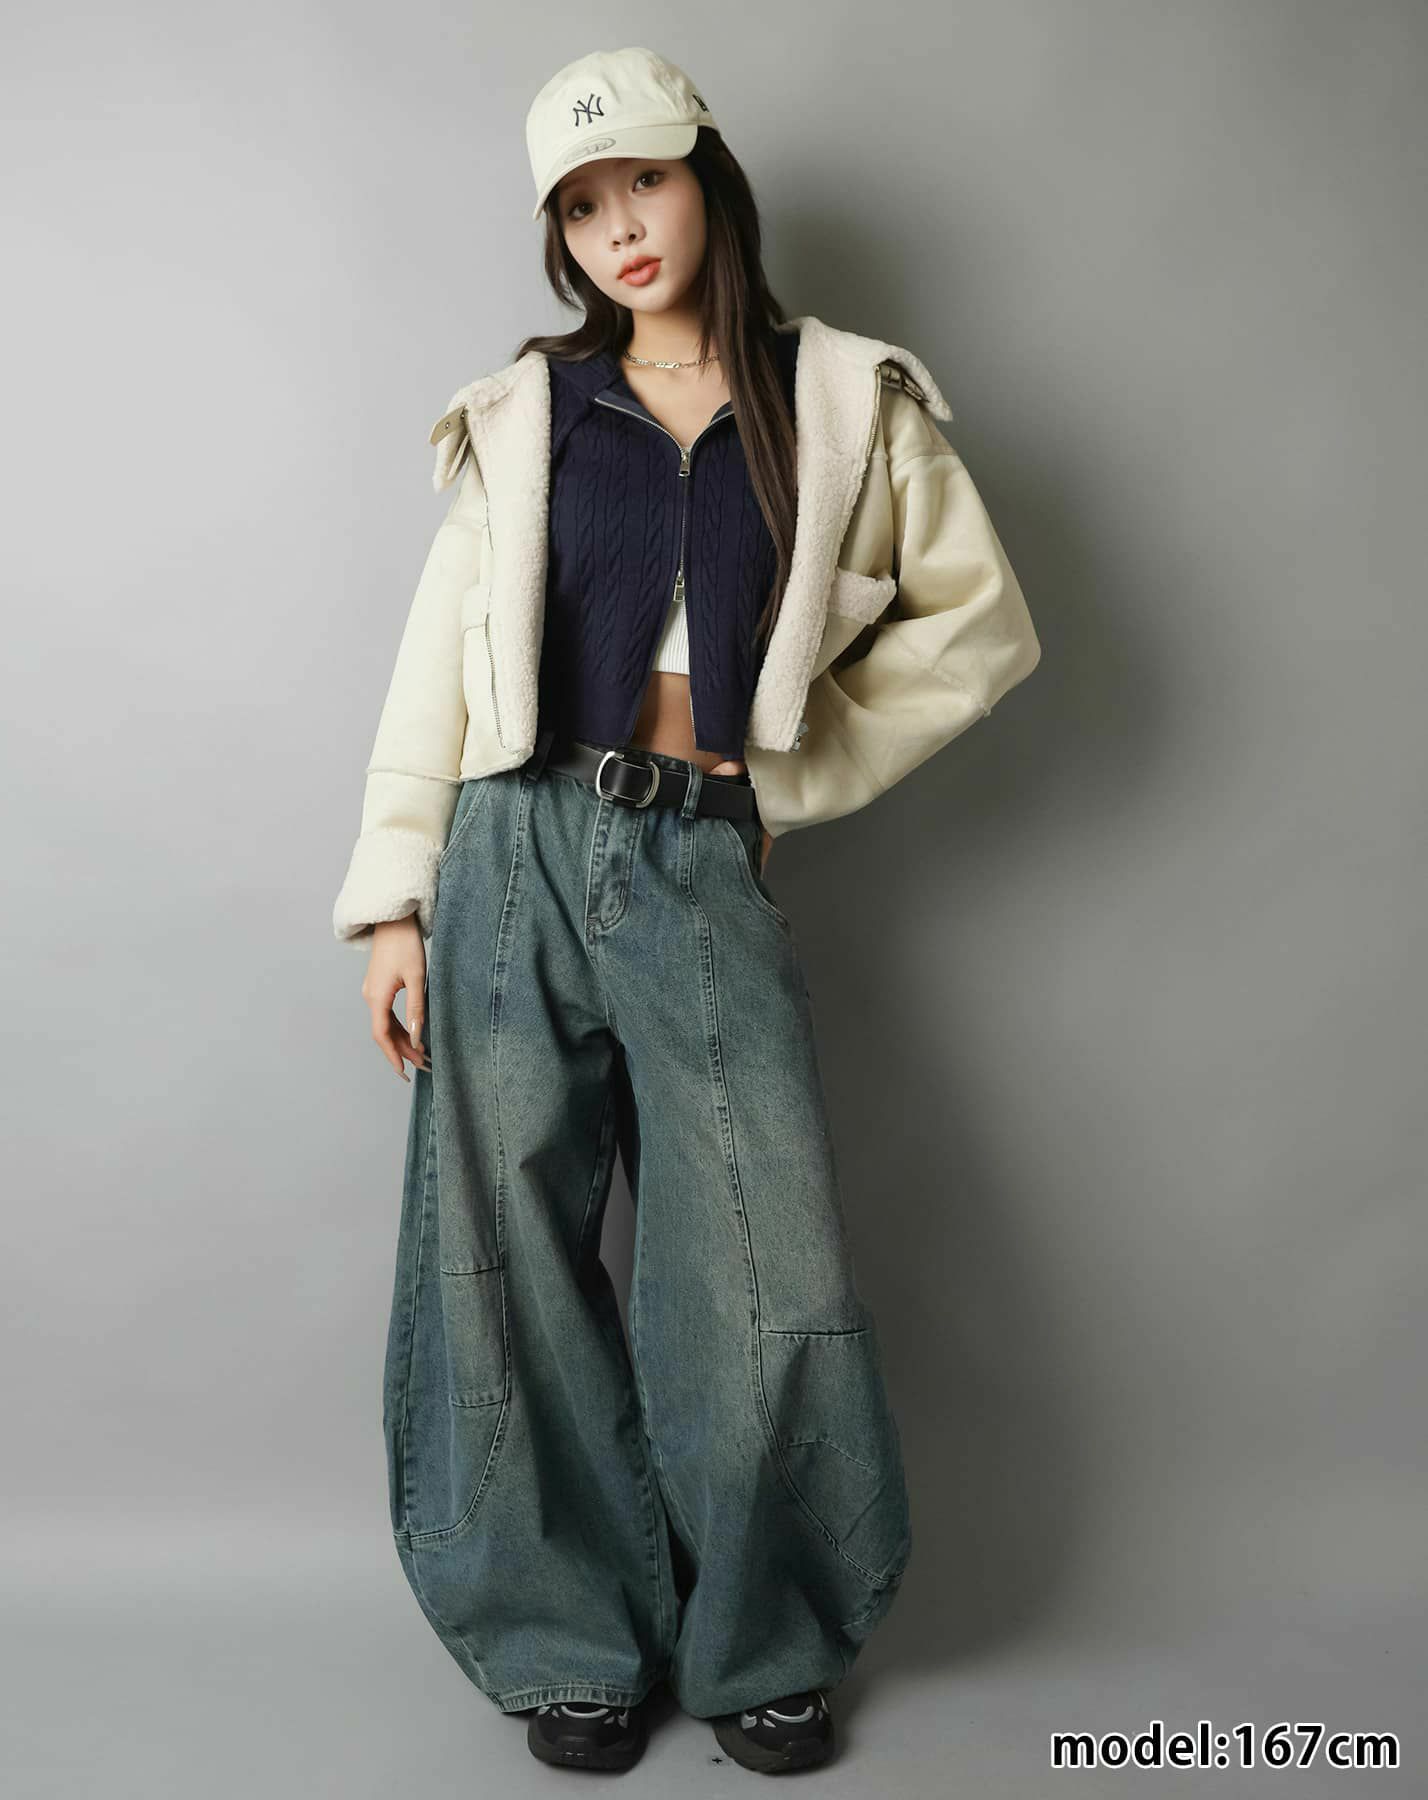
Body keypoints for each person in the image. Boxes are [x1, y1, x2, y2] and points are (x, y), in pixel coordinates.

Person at [330, 44, 1041, 1775]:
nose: (619, 228)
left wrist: (787, 773)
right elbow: (439, 670)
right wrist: (395, 902)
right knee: (507, 1253)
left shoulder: (844, 401)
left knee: (752, 1248)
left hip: (700, 856)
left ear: (705, 174)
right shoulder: (530, 411)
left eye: (641, 180)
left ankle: (764, 1639)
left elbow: (979, 626)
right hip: (511, 848)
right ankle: (566, 1637)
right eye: (580, 207)